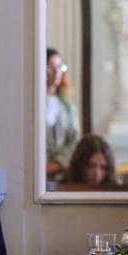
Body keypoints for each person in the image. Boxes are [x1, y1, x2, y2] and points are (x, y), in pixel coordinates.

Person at [45, 47, 79, 181]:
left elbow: (73, 138)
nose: (56, 72)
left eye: (59, 67)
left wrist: (58, 162)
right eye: (50, 67)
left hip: (59, 171)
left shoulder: (66, 104)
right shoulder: (32, 102)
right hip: (35, 165)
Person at [61, 134, 128, 191]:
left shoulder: (116, 192)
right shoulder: (62, 190)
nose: (97, 174)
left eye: (103, 168)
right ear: (79, 166)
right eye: (91, 166)